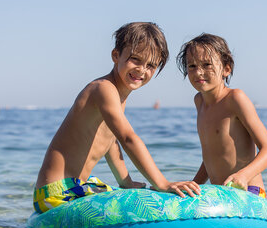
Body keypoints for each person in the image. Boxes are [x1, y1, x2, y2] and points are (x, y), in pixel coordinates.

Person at [33, 22, 200, 214]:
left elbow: (110, 143)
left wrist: (126, 182)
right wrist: (162, 183)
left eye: (151, 65)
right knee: (140, 205)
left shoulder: (118, 96)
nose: (142, 70)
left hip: (72, 187)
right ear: (115, 56)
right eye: (136, 59)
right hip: (56, 193)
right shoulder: (103, 89)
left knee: (134, 195)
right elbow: (127, 137)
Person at [176, 33, 267, 198]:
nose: (198, 72)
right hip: (221, 193)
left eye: (207, 64)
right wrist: (192, 187)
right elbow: (211, 157)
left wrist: (243, 176)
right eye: (192, 66)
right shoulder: (199, 102)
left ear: (226, 69)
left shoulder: (235, 98)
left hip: (249, 191)